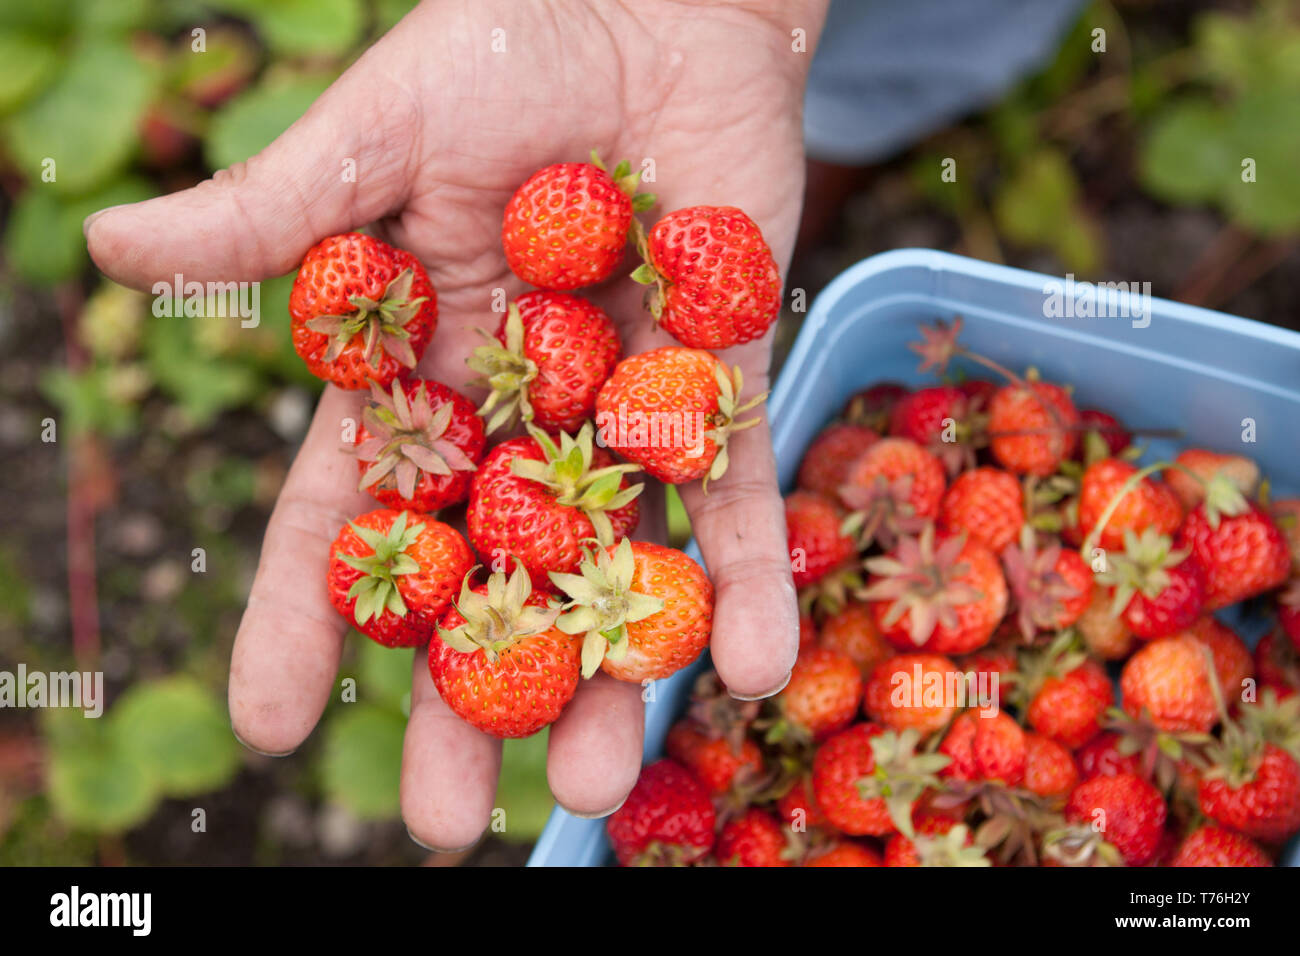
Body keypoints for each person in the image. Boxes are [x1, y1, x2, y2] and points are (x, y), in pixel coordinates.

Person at [84, 0, 1083, 853]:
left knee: (927, 33)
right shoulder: (508, 452)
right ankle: (835, 102)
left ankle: (848, 115)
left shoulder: (563, 423)